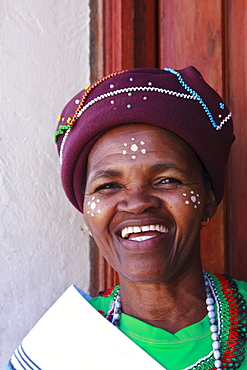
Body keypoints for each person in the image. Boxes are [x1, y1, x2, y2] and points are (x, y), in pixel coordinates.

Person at [7, 67, 247, 370]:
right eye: (108, 186)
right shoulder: (59, 349)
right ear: (85, 211)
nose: (136, 204)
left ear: (209, 199)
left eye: (167, 180)